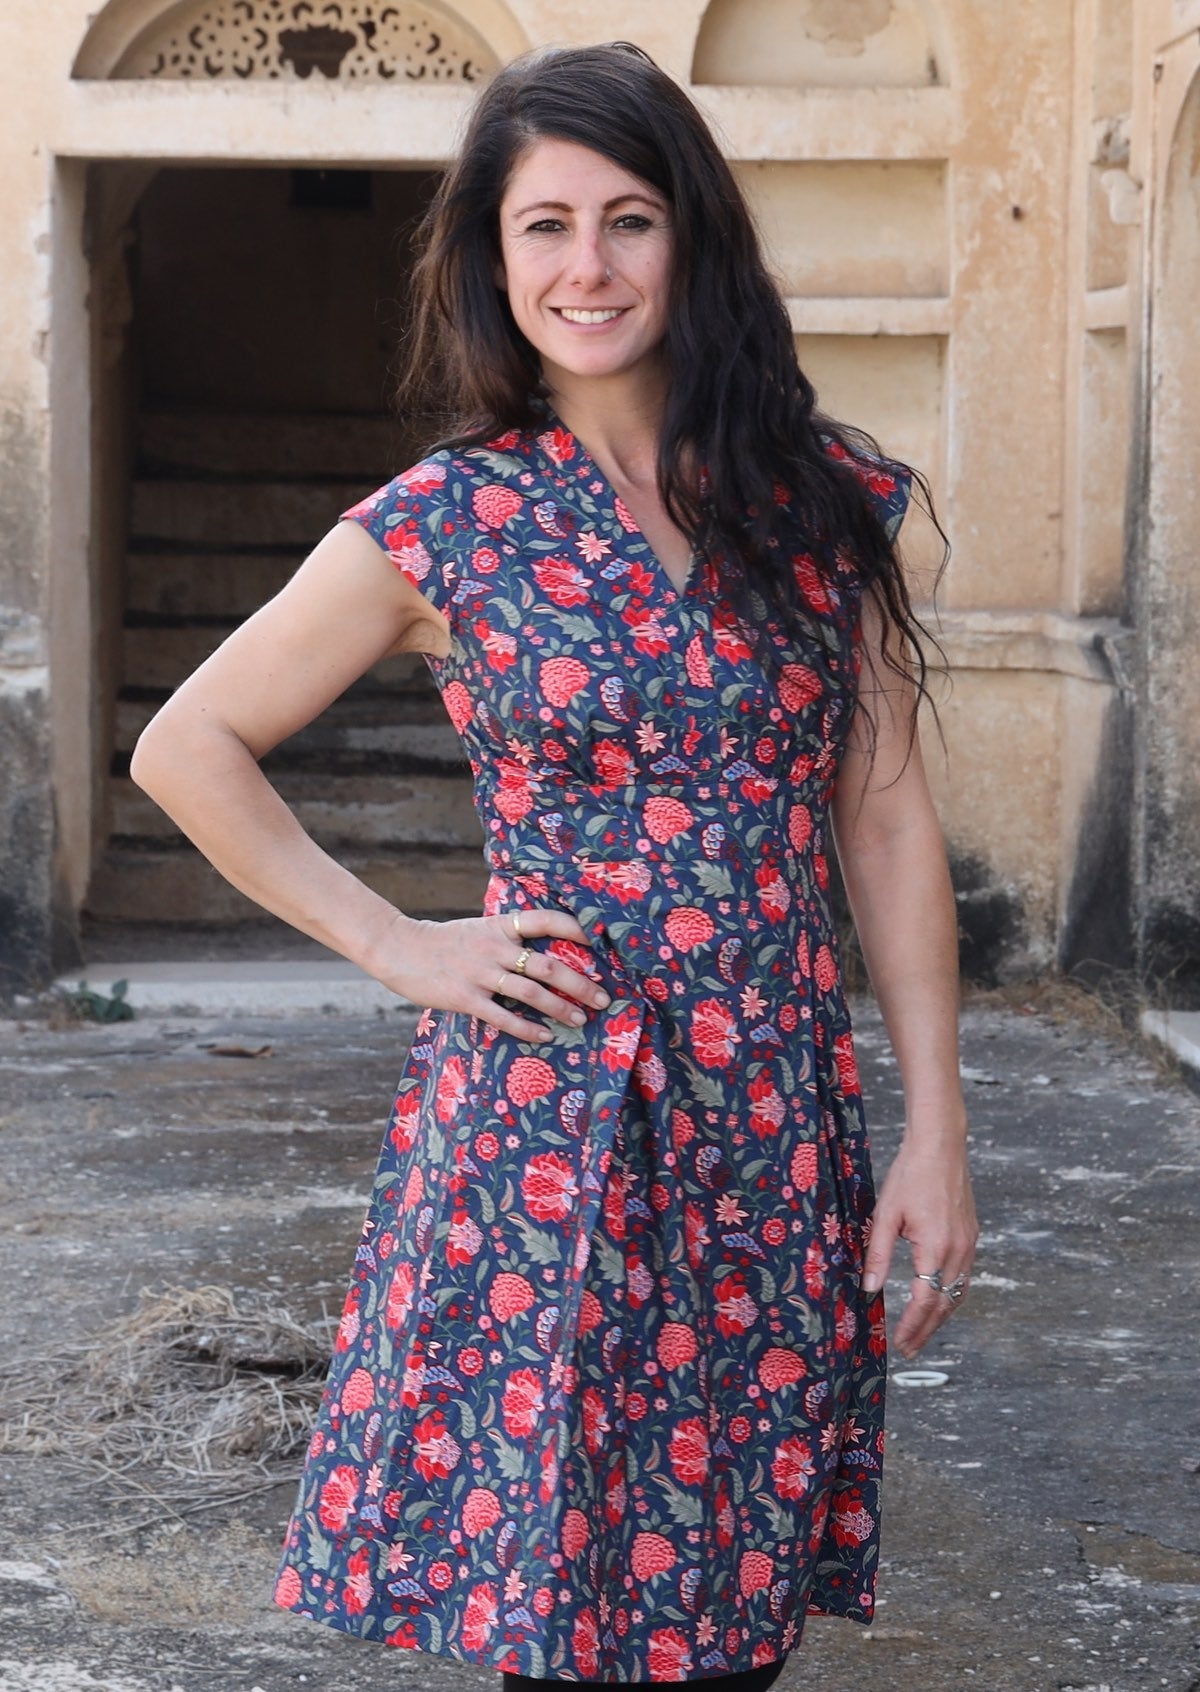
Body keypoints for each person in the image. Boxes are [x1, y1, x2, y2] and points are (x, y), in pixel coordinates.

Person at [129, 39, 978, 1687]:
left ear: (693, 239)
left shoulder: (826, 497)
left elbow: (881, 819)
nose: (587, 265)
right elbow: (188, 747)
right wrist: (401, 946)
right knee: (562, 1611)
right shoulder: (446, 519)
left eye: (630, 218)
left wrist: (936, 1131)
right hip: (548, 1128)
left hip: (771, 1131)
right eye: (545, 226)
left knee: (731, 1607)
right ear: (493, 258)